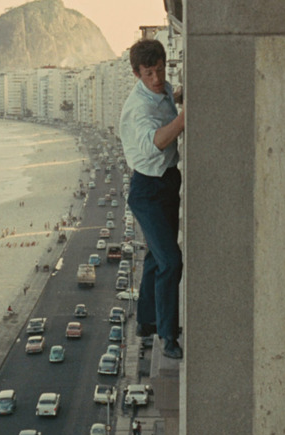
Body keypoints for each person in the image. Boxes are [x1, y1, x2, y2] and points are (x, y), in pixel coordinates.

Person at [119, 38, 184, 359]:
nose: (157, 79)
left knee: (156, 259)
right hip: (148, 190)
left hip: (168, 181)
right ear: (136, 73)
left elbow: (171, 94)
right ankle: (168, 337)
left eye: (160, 70)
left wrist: (182, 95)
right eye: (149, 74)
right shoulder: (139, 108)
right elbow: (157, 141)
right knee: (171, 261)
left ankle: (146, 321)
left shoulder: (163, 89)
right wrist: (186, 117)